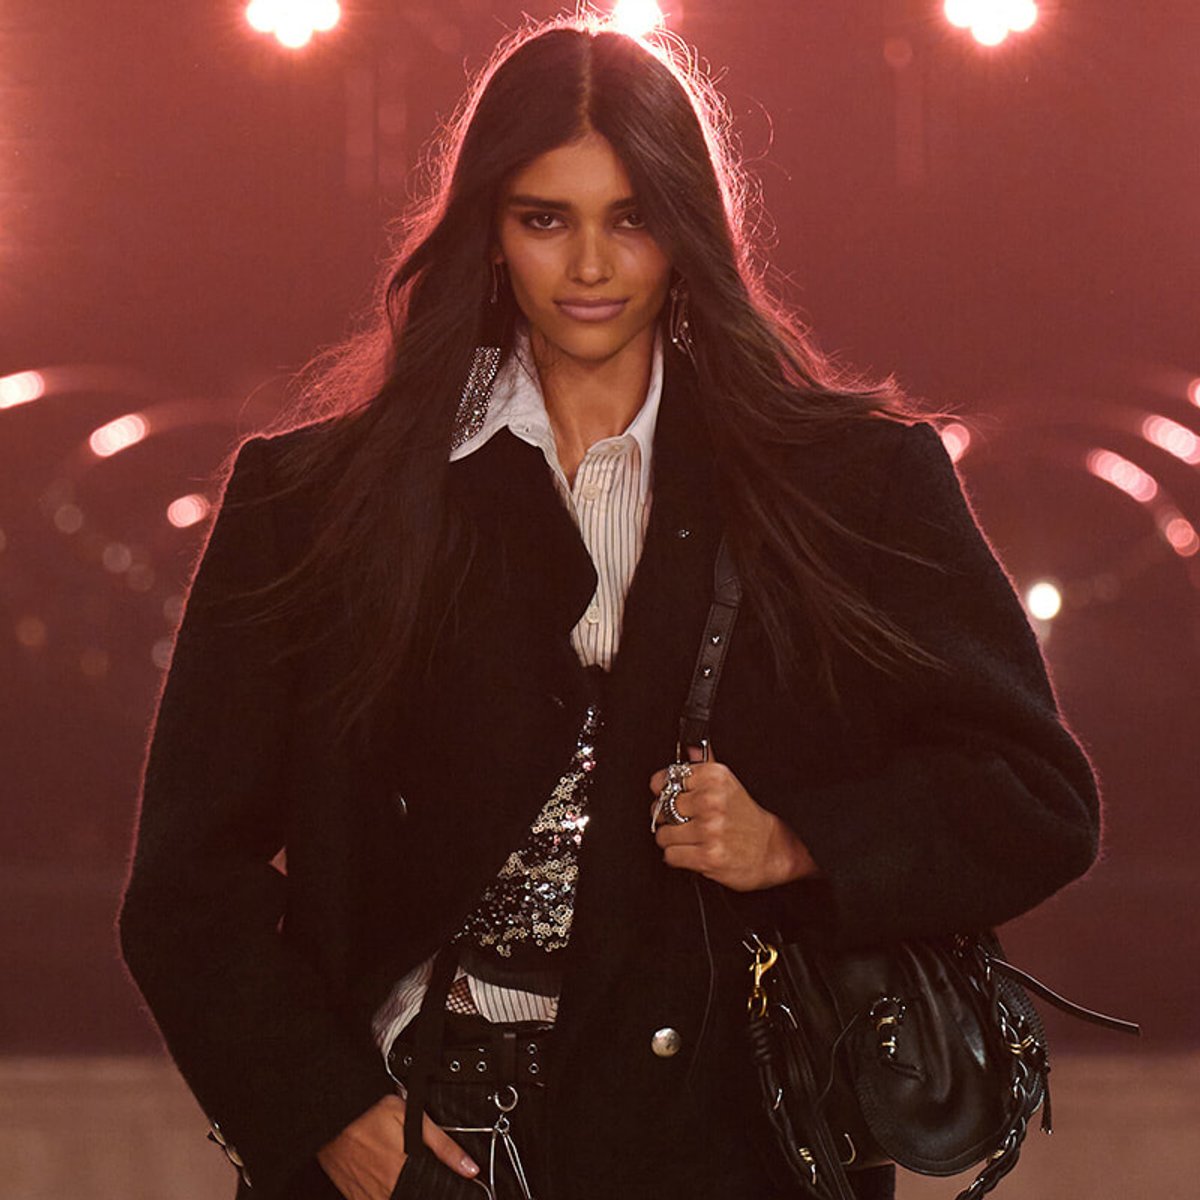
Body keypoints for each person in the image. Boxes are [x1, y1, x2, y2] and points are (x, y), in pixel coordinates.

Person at [117, 15, 1101, 1200]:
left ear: (688, 230)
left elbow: (1031, 797)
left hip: (729, 1155)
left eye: (631, 218)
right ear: (490, 232)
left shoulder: (850, 483)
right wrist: (332, 1120)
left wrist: (799, 841)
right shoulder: (317, 501)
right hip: (420, 1147)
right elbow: (187, 885)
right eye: (546, 219)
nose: (590, 266)